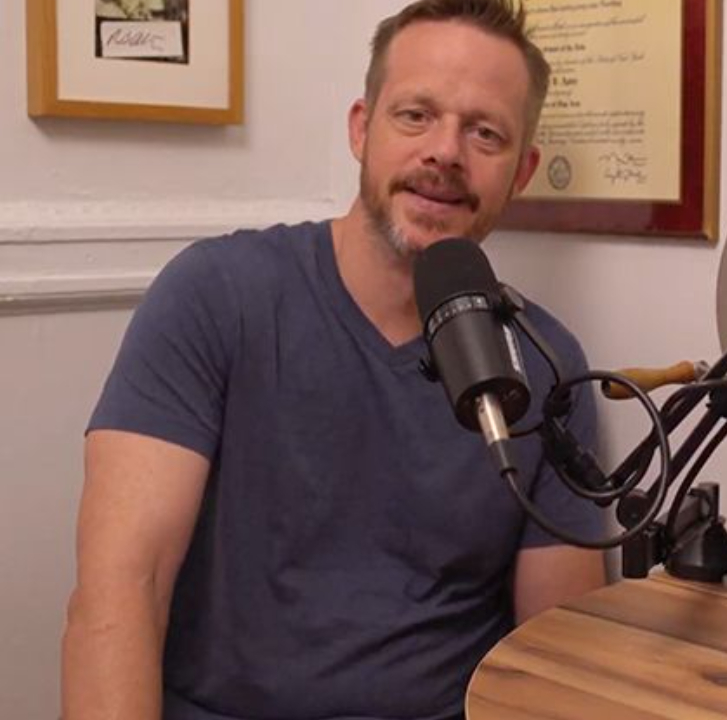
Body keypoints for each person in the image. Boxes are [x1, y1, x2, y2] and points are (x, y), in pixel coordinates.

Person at [61, 2, 605, 719]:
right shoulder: (215, 297)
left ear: (522, 170)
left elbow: (559, 662)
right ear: (361, 128)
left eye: (485, 133)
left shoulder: (545, 365)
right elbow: (119, 596)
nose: (445, 152)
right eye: (416, 115)